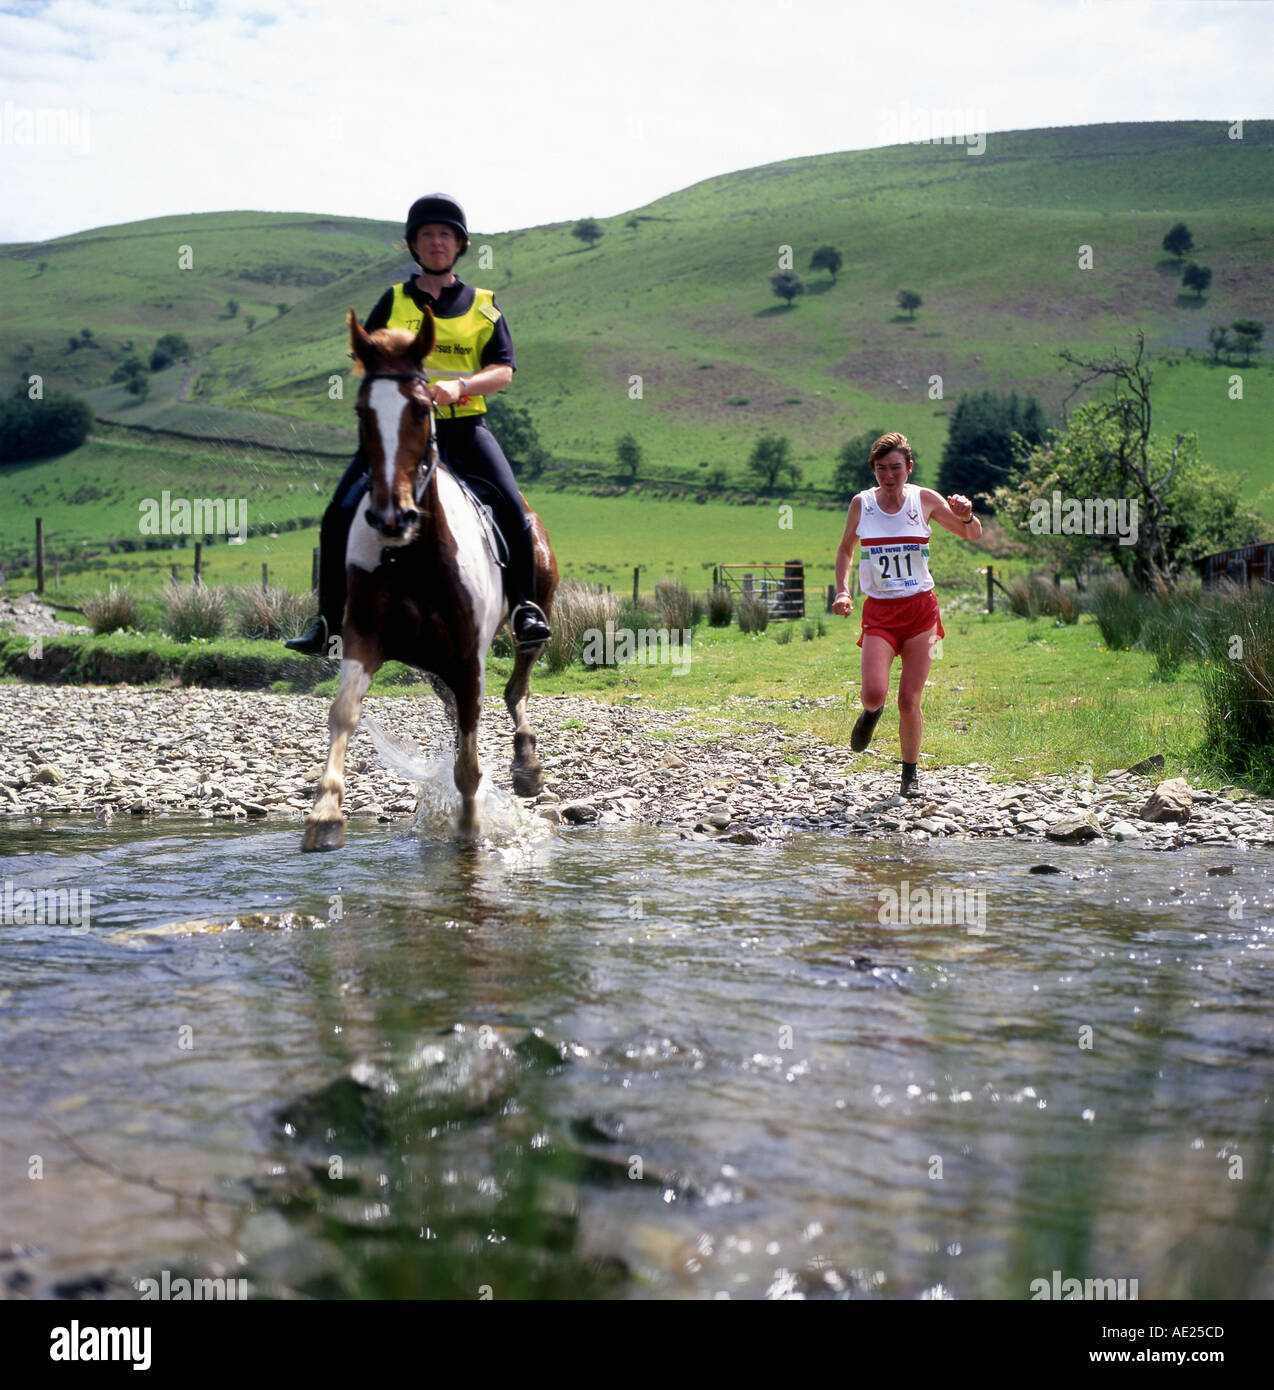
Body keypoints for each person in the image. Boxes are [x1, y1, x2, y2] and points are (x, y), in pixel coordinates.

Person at [287, 193, 552, 655]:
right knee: (338, 513)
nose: (436, 242)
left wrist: (460, 386)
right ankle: (328, 620)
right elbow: (364, 356)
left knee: (511, 505)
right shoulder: (391, 301)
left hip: (463, 429)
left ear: (460, 244)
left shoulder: (485, 306)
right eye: (426, 235)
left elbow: (504, 370)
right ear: (413, 245)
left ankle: (525, 608)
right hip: (397, 437)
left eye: (445, 235)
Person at [831, 431, 981, 798]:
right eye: (881, 468)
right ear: (874, 470)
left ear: (909, 468)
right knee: (873, 692)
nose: (889, 475)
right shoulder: (861, 505)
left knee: (909, 700)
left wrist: (968, 514)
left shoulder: (924, 500)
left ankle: (909, 776)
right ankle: (870, 713)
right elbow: (846, 550)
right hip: (880, 612)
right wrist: (843, 590)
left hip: (920, 612)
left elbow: (972, 534)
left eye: (896, 467)